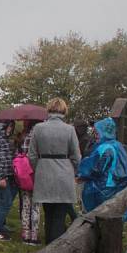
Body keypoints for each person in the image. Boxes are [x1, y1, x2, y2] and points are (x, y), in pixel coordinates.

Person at [28, 98, 81, 244]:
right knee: (59, 215)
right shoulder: (69, 129)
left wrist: (38, 169)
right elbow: (76, 156)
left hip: (44, 173)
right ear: (64, 110)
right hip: (64, 174)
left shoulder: (38, 128)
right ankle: (54, 250)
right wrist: (74, 170)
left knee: (49, 213)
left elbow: (31, 155)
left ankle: (48, 246)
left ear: (49, 109)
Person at [77, 117, 127, 219]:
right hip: (117, 188)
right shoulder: (118, 146)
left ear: (103, 131)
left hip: (103, 189)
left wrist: (81, 174)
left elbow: (95, 169)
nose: (96, 135)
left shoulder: (105, 148)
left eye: (97, 132)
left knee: (98, 219)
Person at [18, 120, 41, 245]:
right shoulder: (41, 138)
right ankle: (34, 234)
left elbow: (24, 154)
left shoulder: (26, 137)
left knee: (26, 204)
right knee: (36, 206)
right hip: (37, 174)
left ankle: (25, 233)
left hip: (25, 174)